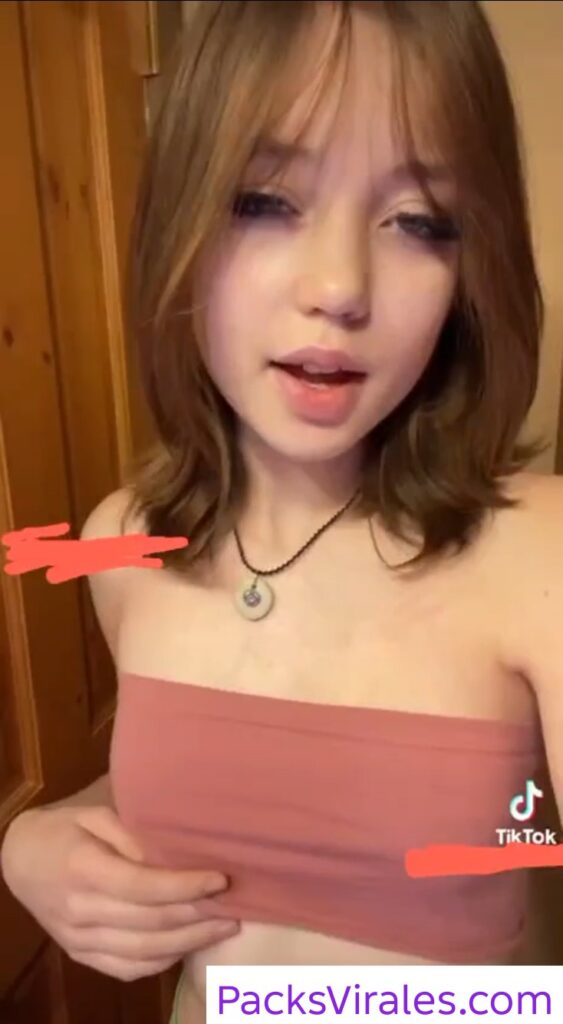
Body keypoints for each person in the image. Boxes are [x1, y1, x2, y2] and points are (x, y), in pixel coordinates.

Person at [2, 1, 563, 1021]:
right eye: (264, 200)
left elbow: (515, 828)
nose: (339, 287)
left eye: (417, 220)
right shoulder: (121, 543)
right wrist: (30, 841)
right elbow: (208, 787)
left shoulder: (537, 552)